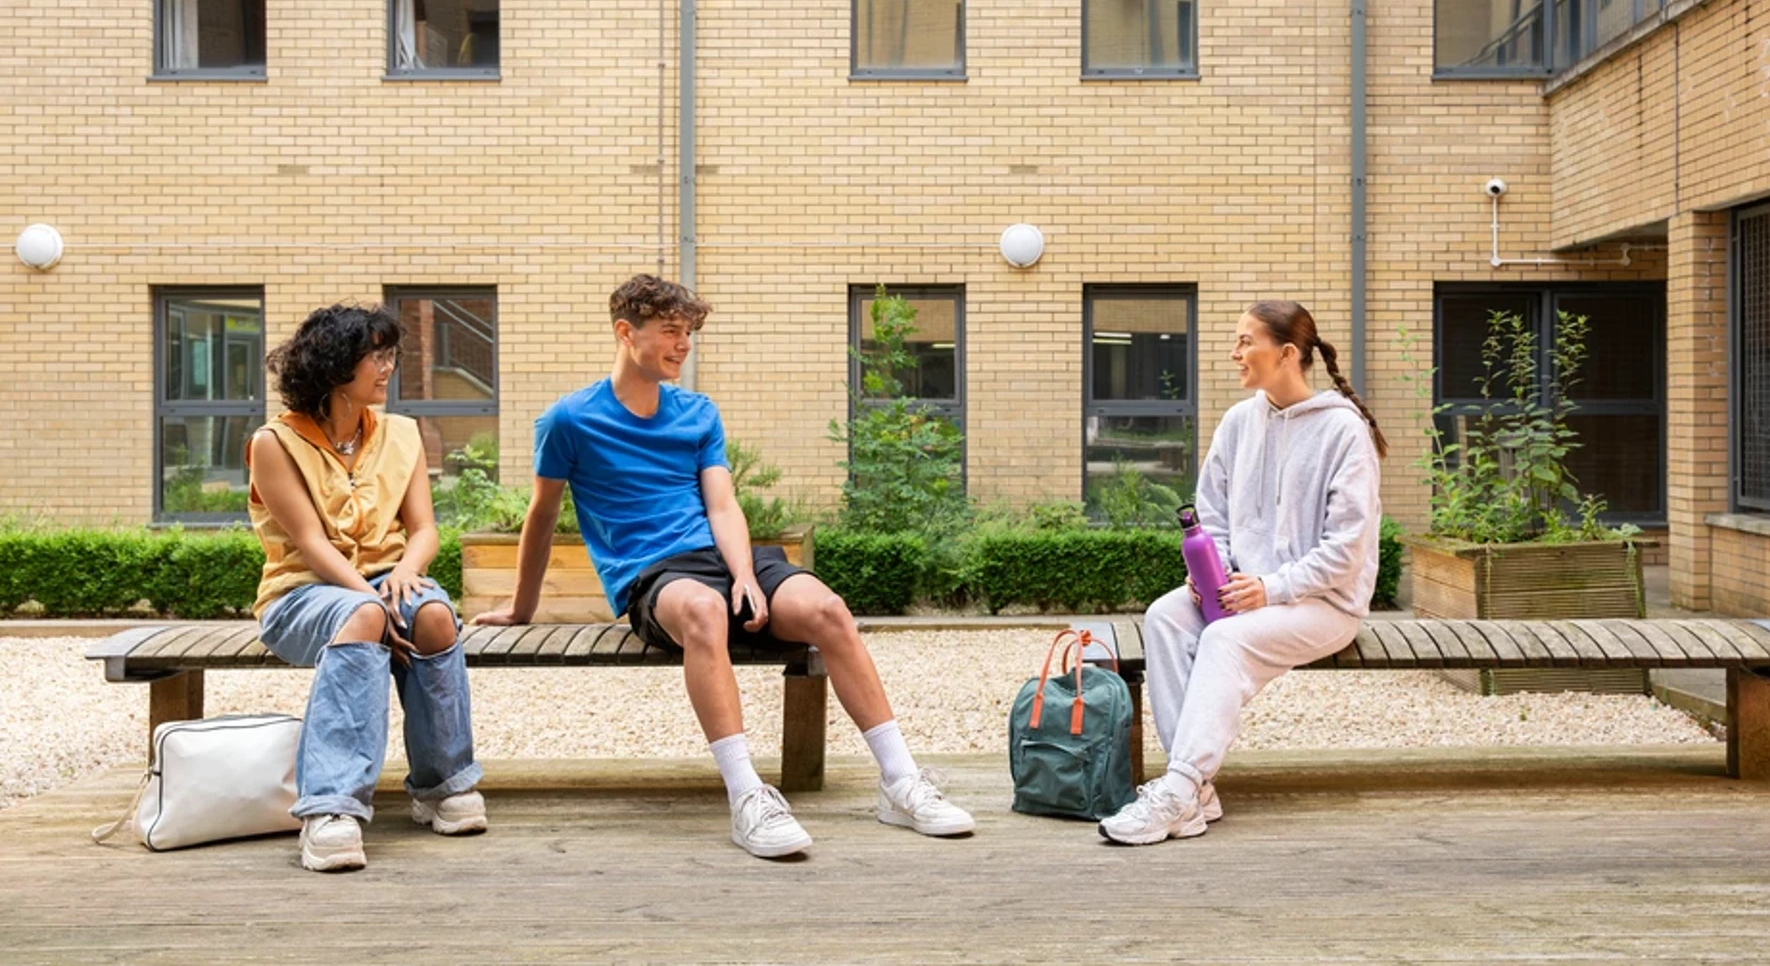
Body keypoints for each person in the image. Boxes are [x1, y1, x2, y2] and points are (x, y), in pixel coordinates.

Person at [475, 275, 974, 859]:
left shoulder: (697, 412)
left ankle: (900, 782)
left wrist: (743, 574)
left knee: (828, 610)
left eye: (688, 332)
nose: (683, 344)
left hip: (721, 558)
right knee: (706, 609)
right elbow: (542, 515)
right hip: (654, 577)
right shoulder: (569, 420)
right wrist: (523, 607)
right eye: (670, 331)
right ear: (625, 333)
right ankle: (746, 797)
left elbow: (721, 503)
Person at [1097, 300, 1385, 846]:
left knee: (1224, 640)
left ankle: (1179, 787)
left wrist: (1272, 587)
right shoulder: (1238, 421)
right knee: (1165, 616)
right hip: (1243, 592)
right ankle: (1197, 791)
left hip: (1323, 605)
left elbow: (1347, 548)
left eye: (1245, 341)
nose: (1235, 353)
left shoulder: (1344, 432)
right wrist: (1214, 575)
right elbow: (1214, 513)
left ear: (1287, 353)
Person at [248, 305, 485, 873]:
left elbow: (425, 530)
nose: (388, 367)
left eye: (389, 354)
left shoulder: (402, 434)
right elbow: (310, 544)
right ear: (334, 365)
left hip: (382, 581)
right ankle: (331, 808)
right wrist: (375, 599)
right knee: (363, 616)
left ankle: (442, 785)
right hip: (301, 594)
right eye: (375, 356)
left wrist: (406, 572)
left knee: (433, 615)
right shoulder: (273, 443)